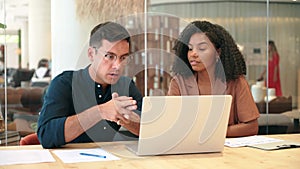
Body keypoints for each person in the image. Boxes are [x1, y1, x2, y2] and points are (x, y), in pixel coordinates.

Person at [37, 21, 143, 148]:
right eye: (109, 56)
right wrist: (101, 111)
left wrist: (125, 119)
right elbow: (46, 135)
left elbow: (149, 132)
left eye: (123, 58)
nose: (118, 66)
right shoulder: (64, 83)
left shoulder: (126, 86)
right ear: (91, 54)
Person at [167, 20, 260, 137]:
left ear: (217, 53)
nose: (193, 54)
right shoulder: (178, 83)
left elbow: (251, 127)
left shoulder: (236, 82)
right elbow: (170, 125)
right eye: (190, 49)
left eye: (201, 49)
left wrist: (212, 133)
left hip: (228, 151)